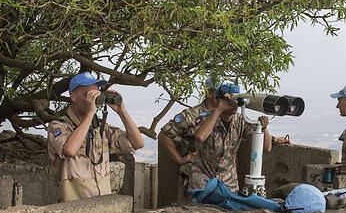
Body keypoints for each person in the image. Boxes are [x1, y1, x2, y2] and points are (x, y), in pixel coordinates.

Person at [47, 72, 144, 202]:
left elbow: (138, 143)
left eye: (95, 94)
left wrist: (122, 112)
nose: (93, 99)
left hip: (102, 205)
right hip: (72, 207)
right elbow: (69, 150)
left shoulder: (101, 128)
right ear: (73, 96)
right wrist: (90, 113)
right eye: (88, 95)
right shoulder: (58, 126)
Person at [189, 82, 273, 193]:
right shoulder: (206, 117)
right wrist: (219, 109)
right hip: (202, 183)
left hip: (228, 184)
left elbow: (267, 148)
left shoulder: (240, 120)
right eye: (230, 100)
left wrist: (264, 127)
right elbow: (200, 137)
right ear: (220, 100)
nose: (235, 104)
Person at [158, 77, 219, 198]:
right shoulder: (191, 115)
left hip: (218, 177)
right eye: (220, 94)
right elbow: (164, 135)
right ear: (210, 93)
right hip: (195, 179)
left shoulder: (224, 116)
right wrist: (180, 159)